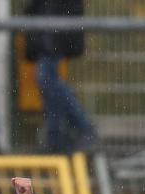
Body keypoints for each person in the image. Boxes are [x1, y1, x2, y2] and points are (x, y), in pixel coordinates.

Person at [26, 0, 96, 153]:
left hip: (54, 32)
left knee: (49, 81)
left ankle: (80, 128)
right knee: (50, 84)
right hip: (50, 32)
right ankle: (56, 138)